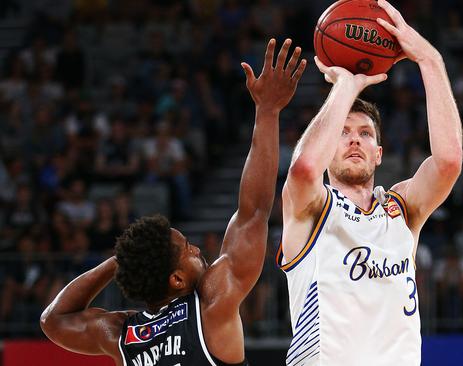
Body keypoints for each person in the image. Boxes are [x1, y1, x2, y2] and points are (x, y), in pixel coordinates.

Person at [40, 38, 306, 366]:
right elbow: (253, 212)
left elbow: (53, 320)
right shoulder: (211, 303)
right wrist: (268, 111)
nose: (197, 250)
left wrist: (121, 258)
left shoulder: (123, 336)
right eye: (188, 250)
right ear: (176, 279)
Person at [276, 1, 463, 364]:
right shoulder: (311, 207)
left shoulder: (401, 209)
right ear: (329, 146)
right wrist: (345, 85)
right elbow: (303, 169)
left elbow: (449, 162)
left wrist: (429, 60)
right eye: (343, 133)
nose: (354, 140)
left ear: (379, 152)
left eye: (364, 133)